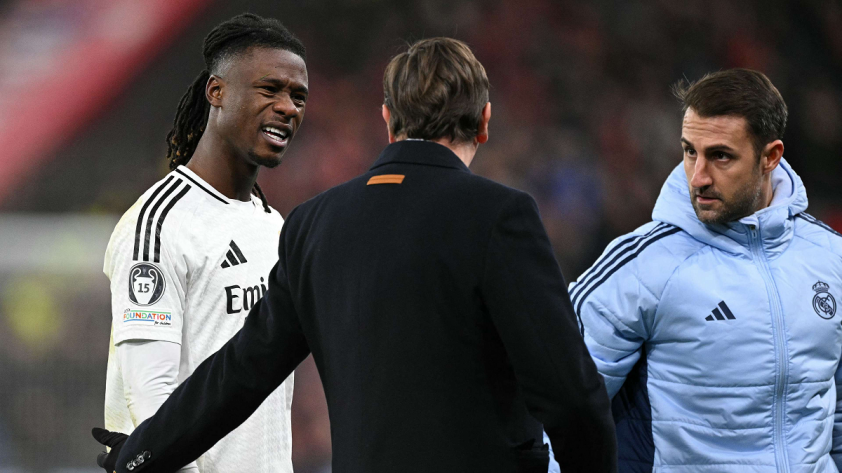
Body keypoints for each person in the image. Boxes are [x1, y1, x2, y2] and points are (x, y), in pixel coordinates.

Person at [92, 37, 617, 473]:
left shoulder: (314, 223)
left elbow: (238, 374)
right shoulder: (500, 217)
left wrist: (142, 452)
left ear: (388, 119)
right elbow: (570, 396)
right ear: (483, 121)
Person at [574, 68, 842, 471]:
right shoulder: (642, 266)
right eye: (689, 152)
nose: (698, 177)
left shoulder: (830, 256)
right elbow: (560, 405)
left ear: (770, 157)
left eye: (720, 156)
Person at [95, 13, 308, 473]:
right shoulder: (159, 224)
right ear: (217, 91)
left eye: (298, 96)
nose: (288, 108)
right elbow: (148, 397)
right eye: (270, 89)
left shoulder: (272, 225)